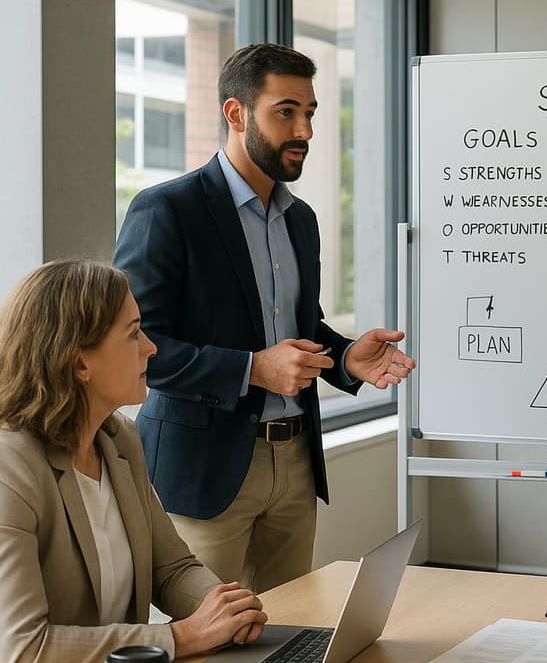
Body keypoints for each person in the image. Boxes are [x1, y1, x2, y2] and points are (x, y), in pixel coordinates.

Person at [114, 43, 415, 594]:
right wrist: (253, 368)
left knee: (291, 629)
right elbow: (136, 347)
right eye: (286, 112)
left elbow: (300, 329)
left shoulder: (301, 220)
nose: (304, 130)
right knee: (208, 634)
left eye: (310, 113)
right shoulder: (166, 211)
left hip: (296, 463)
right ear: (237, 113)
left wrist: (346, 357)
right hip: (204, 472)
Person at [0, 259, 268, 663]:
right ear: (79, 361)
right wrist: (183, 636)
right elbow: (25, 654)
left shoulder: (118, 438)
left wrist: (225, 610)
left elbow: (172, 569)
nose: (151, 348)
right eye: (133, 334)